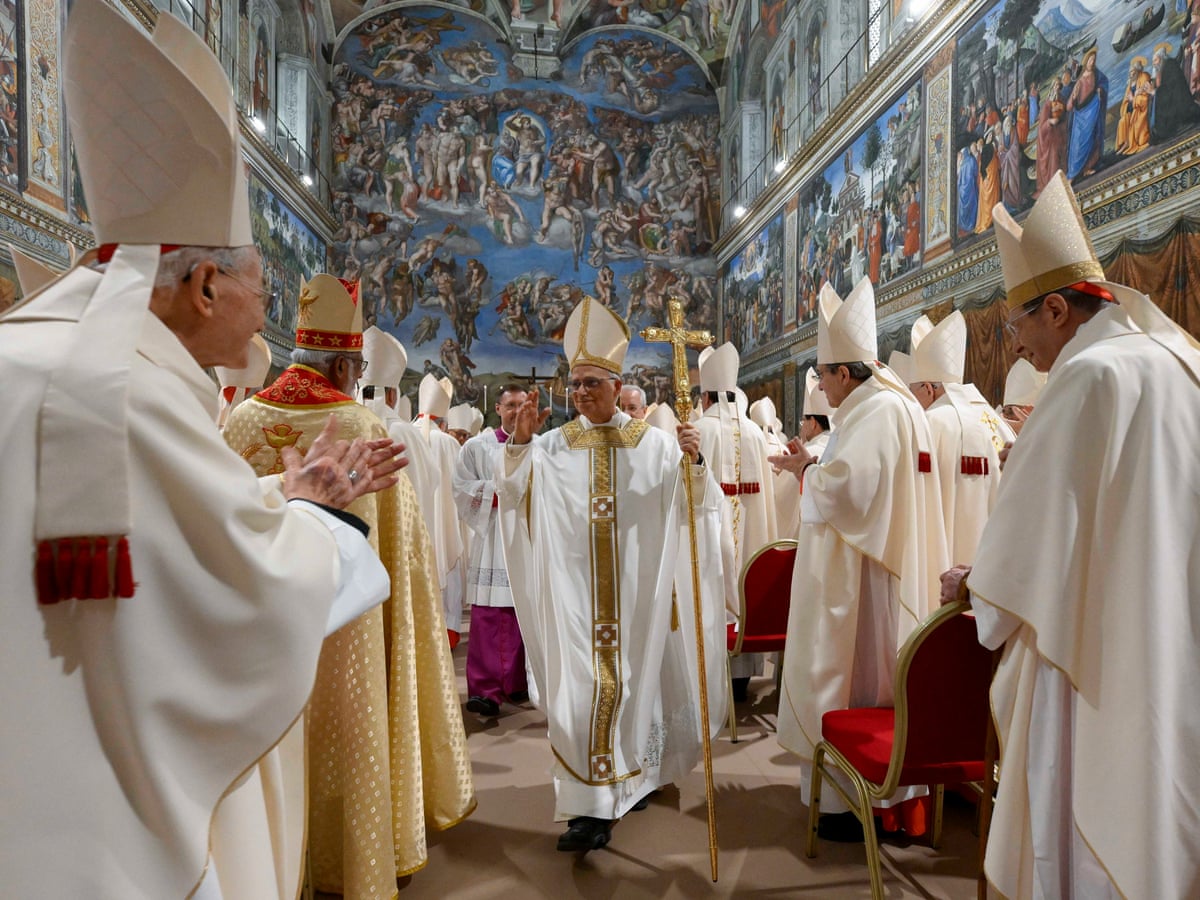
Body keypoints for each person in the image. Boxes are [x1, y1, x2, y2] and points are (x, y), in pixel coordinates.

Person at [0, 2, 408, 896]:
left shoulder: (30, 354)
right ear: (207, 285)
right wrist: (316, 519)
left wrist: (271, 502)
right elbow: (243, 595)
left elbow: (154, 540)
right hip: (106, 832)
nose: (268, 315)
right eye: (262, 288)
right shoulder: (135, 394)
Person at [943, 171, 1200, 899]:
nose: (1016, 345)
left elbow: (1025, 549)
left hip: (1093, 641)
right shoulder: (1182, 362)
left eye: (1017, 325)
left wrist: (975, 587)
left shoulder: (1088, 377)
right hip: (1176, 629)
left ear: (1056, 308)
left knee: (1086, 802)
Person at [224, 275, 475, 887]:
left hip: (257, 629)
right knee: (347, 726)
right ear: (342, 365)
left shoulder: (240, 421)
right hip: (344, 634)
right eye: (355, 366)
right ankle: (354, 858)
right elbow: (404, 556)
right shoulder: (361, 428)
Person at [497, 297, 727, 853]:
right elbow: (515, 495)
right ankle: (588, 809)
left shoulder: (655, 445)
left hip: (635, 598)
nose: (580, 392)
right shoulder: (553, 447)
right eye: (574, 384)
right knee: (581, 697)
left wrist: (694, 463)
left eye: (591, 383)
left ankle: (630, 781)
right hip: (574, 600)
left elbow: (694, 507)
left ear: (617, 383)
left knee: (632, 689)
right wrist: (520, 443)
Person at [772, 278, 948, 841]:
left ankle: (851, 805)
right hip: (882, 563)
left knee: (851, 680)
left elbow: (850, 492)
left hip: (863, 574)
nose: (819, 386)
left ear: (844, 374)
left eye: (822, 374)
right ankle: (881, 800)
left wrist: (807, 470)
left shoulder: (875, 412)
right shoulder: (892, 405)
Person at [696, 343, 777, 700]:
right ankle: (742, 680)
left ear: (705, 397)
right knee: (744, 589)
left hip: (712, 537)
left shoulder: (699, 429)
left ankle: (709, 680)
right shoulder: (756, 433)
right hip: (751, 540)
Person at [453, 384, 530, 718]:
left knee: (525, 613)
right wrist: (498, 492)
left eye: (522, 405)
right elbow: (460, 487)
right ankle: (485, 690)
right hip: (493, 536)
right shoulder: (477, 447)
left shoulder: (541, 447)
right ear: (498, 408)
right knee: (489, 614)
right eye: (510, 405)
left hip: (528, 538)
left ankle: (519, 681)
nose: (516, 411)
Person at [905, 311, 1004, 565]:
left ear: (928, 388)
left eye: (912, 392)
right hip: (994, 556)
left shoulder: (930, 423)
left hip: (945, 560)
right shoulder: (995, 421)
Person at [411, 373, 466, 647]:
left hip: (412, 524)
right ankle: (448, 633)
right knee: (447, 566)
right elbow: (460, 489)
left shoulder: (404, 433)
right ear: (443, 422)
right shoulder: (448, 442)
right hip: (443, 524)